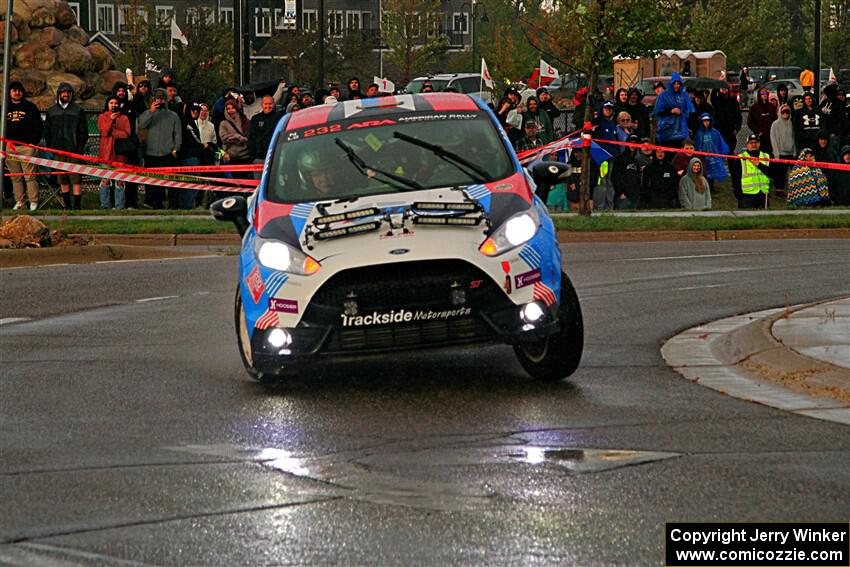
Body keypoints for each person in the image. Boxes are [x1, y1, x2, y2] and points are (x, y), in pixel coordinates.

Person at [44, 82, 88, 210]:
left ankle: (77, 207)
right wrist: (51, 146)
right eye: (63, 92)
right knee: (62, 179)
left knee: (76, 178)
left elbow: (83, 131)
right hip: (58, 151)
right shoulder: (51, 111)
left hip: (74, 151)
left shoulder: (78, 110)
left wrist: (79, 147)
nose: (65, 94)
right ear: (59, 94)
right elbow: (47, 131)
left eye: (68, 92)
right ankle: (67, 206)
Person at [138, 88, 182, 209]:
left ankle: (173, 206)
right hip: (151, 153)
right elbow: (141, 125)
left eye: (162, 99)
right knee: (153, 184)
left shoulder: (173, 116)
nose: (160, 101)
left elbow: (178, 134)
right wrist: (150, 112)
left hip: (168, 154)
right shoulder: (149, 113)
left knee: (171, 183)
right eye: (157, 98)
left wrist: (175, 149)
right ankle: (156, 205)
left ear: (166, 100)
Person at [4, 80, 43, 211]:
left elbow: (39, 126)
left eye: (19, 90)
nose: (17, 92)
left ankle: (33, 201)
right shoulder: (5, 107)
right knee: (15, 177)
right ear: (9, 92)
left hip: (27, 147)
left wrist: (33, 143)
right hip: (10, 147)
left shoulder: (30, 107)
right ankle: (20, 201)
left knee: (30, 176)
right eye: (14, 90)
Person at [96, 96, 131, 209]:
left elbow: (126, 134)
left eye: (116, 103)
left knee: (120, 181)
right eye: (111, 103)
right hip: (105, 154)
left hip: (120, 155)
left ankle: (119, 206)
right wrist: (111, 120)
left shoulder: (124, 118)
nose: (114, 105)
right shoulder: (102, 117)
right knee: (105, 180)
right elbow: (104, 131)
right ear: (107, 104)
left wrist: (112, 131)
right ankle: (104, 206)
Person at [653, 72, 694, 149]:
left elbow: (690, 111)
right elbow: (658, 111)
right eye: (674, 83)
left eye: (678, 83)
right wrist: (671, 111)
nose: (676, 86)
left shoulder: (684, 95)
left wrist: (684, 116)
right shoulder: (663, 95)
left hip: (681, 130)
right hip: (667, 130)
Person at [176, 103, 204, 209]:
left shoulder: (190, 122)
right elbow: (195, 141)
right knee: (193, 184)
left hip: (187, 157)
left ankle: (183, 207)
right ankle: (185, 207)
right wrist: (204, 146)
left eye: (197, 110)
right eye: (193, 110)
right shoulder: (186, 122)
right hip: (188, 158)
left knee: (187, 184)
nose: (196, 112)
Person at [248, 95, 282, 179]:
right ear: (261, 105)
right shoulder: (255, 119)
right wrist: (253, 157)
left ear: (274, 104)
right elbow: (251, 138)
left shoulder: (279, 118)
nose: (268, 106)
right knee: (259, 183)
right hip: (259, 158)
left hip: (275, 156)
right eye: (265, 104)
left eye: (270, 104)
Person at [693, 113, 729, 192]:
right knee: (704, 172)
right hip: (703, 156)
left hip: (714, 156)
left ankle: (711, 188)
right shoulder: (699, 133)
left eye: (708, 121)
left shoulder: (715, 132)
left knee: (713, 172)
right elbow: (697, 144)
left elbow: (720, 143)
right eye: (704, 121)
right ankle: (703, 187)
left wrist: (722, 153)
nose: (706, 123)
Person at [218, 98, 252, 179]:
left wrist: (232, 138)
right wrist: (239, 137)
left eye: (233, 108)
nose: (231, 111)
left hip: (246, 157)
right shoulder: (223, 123)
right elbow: (224, 138)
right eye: (228, 109)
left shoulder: (245, 121)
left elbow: (249, 136)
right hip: (232, 157)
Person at [736, 134, 771, 208]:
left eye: (756, 142)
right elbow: (736, 178)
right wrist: (739, 196)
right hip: (747, 195)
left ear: (759, 144)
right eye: (751, 143)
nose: (753, 144)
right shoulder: (741, 158)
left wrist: (759, 165)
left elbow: (771, 173)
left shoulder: (766, 156)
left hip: (763, 194)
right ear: (747, 145)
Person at [770, 104, 797, 197]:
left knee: (792, 173)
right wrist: (776, 154)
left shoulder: (792, 123)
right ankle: (779, 190)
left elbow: (793, 138)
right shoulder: (775, 124)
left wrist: (794, 152)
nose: (785, 113)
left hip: (790, 152)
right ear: (780, 112)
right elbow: (773, 139)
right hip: (780, 153)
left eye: (787, 112)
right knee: (779, 174)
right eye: (783, 112)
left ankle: (794, 190)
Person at [611, 134, 641, 209]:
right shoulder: (619, 159)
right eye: (631, 143)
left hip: (634, 197)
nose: (633, 145)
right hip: (623, 197)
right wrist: (620, 193)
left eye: (635, 143)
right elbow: (615, 177)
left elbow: (638, 179)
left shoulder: (636, 161)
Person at [710, 85, 742, 155]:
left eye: (725, 89)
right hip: (719, 131)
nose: (724, 91)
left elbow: (738, 116)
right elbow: (712, 97)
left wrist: (737, 128)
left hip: (730, 131)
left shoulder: (733, 101)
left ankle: (731, 165)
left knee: (730, 152)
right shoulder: (717, 101)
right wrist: (717, 84)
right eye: (722, 89)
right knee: (719, 151)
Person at [747, 88, 777, 154]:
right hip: (760, 136)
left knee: (770, 154)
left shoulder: (771, 107)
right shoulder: (754, 108)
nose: (764, 95)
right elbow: (750, 122)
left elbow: (775, 120)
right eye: (762, 93)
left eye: (766, 93)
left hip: (771, 135)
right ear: (759, 95)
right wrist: (758, 131)